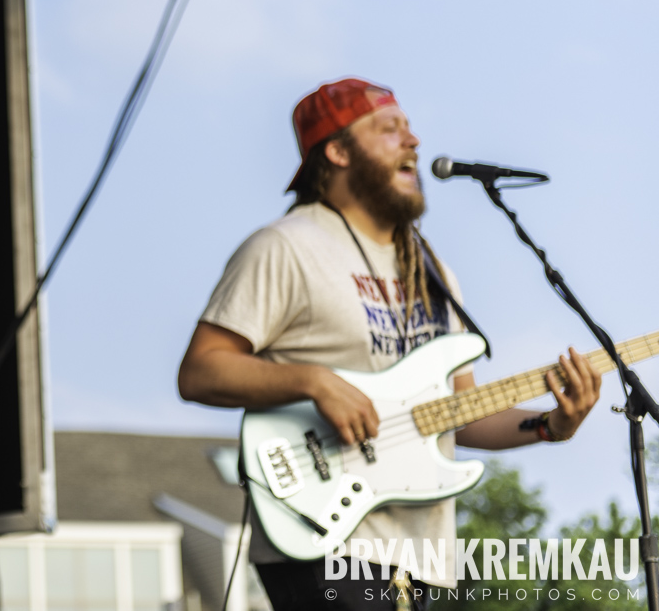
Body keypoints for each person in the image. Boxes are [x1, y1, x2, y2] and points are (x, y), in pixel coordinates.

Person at [176, 78, 602, 610]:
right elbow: (200, 371)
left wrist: (549, 425)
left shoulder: (433, 269)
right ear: (336, 151)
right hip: (323, 534)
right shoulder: (286, 245)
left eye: (409, 127)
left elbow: (459, 415)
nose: (414, 141)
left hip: (418, 555)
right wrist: (313, 380)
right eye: (389, 129)